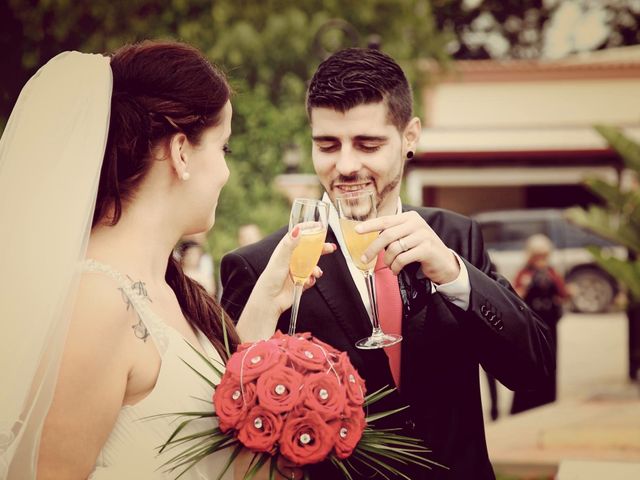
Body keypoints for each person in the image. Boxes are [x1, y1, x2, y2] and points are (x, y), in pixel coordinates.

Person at [221, 48, 555, 480]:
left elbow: (535, 370)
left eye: (368, 144)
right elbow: (229, 423)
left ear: (410, 136)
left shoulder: (456, 238)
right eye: (327, 145)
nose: (345, 166)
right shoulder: (261, 266)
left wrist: (456, 276)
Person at [0, 41, 329, 479]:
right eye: (224, 148)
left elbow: (202, 424)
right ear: (180, 152)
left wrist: (267, 299)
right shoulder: (97, 302)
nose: (226, 172)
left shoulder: (168, 290)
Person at [511, 234, 568, 415]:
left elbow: (563, 293)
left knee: (550, 359)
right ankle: (526, 402)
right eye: (538, 255)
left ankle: (547, 397)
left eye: (544, 255)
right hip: (531, 324)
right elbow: (514, 296)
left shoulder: (551, 272)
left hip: (550, 323)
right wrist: (526, 287)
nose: (541, 260)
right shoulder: (525, 272)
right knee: (530, 360)